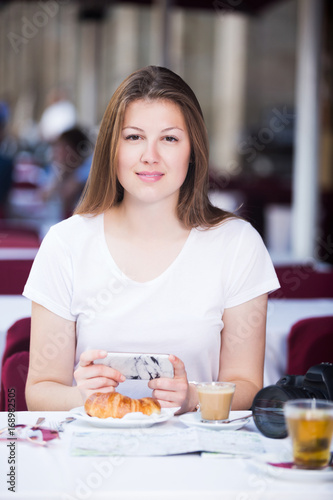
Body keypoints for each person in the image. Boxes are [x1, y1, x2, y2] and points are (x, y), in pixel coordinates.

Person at [23, 66, 280, 413]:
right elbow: (39, 390)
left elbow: (248, 385)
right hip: (90, 453)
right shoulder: (65, 244)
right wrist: (80, 397)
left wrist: (193, 397)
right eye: (133, 137)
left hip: (199, 458)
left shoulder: (237, 245)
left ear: (193, 151)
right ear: (112, 148)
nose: (150, 155)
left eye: (170, 138)